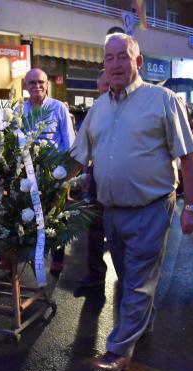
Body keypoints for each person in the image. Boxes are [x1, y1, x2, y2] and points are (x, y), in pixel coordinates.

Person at [68, 33, 193, 371]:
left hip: (152, 207)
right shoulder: (98, 107)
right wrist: (39, 181)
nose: (115, 64)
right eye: (109, 58)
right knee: (128, 277)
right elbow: (77, 158)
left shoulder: (163, 100)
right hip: (111, 211)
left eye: (122, 57)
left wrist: (192, 206)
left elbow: (188, 156)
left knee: (138, 279)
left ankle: (119, 349)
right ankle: (142, 324)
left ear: (138, 62)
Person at [22, 68, 76, 276]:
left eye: (41, 82)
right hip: (27, 174)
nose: (37, 86)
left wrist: (66, 176)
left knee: (57, 217)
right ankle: (33, 256)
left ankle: (58, 258)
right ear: (26, 86)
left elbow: (69, 143)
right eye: (32, 82)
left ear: (47, 84)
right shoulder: (21, 110)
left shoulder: (59, 107)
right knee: (30, 216)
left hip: (55, 173)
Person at [76, 69, 109, 290]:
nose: (108, 90)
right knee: (96, 226)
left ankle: (128, 278)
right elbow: (81, 148)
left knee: (123, 230)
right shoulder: (95, 110)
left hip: (125, 178)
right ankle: (96, 272)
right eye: (104, 86)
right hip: (98, 174)